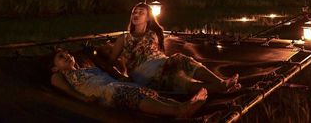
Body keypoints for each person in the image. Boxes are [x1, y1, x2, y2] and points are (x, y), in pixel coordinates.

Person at [105, 2, 239, 94]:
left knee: (181, 65)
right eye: (134, 12)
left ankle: (221, 83)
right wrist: (122, 77)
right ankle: (221, 87)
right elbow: (111, 62)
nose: (136, 14)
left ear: (148, 18)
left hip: (160, 63)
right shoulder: (124, 38)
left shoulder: (153, 34)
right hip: (143, 72)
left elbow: (157, 53)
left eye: (141, 12)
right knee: (178, 76)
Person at [49, 48, 207, 118]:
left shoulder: (88, 68)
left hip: (116, 85)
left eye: (67, 53)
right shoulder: (60, 75)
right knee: (132, 94)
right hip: (105, 93)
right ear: (55, 67)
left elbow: (107, 71)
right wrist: (84, 99)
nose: (67, 56)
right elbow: (68, 91)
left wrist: (122, 77)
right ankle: (179, 111)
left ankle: (183, 106)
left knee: (148, 92)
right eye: (61, 57)